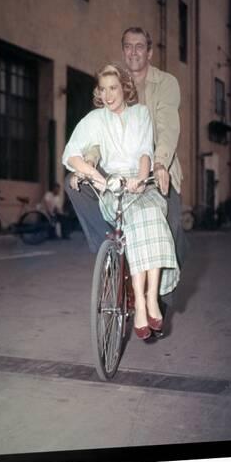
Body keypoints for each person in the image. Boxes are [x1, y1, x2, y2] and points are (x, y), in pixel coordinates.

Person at [65, 27, 187, 307]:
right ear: (123, 51)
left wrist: (159, 164)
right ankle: (111, 255)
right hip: (117, 169)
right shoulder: (113, 82)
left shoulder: (165, 83)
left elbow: (168, 129)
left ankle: (161, 296)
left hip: (157, 167)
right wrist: (90, 161)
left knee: (174, 225)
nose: (133, 52)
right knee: (74, 185)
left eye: (140, 46)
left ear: (150, 52)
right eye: (128, 46)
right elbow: (100, 133)